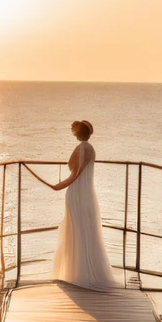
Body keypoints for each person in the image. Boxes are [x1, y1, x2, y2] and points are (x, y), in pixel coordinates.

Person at [50, 120, 114, 289]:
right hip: (85, 193)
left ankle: (76, 272)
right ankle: (81, 270)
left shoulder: (83, 148)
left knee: (76, 228)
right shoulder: (90, 148)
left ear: (79, 132)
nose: (72, 132)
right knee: (83, 228)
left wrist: (59, 185)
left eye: (73, 130)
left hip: (77, 192)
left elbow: (77, 174)